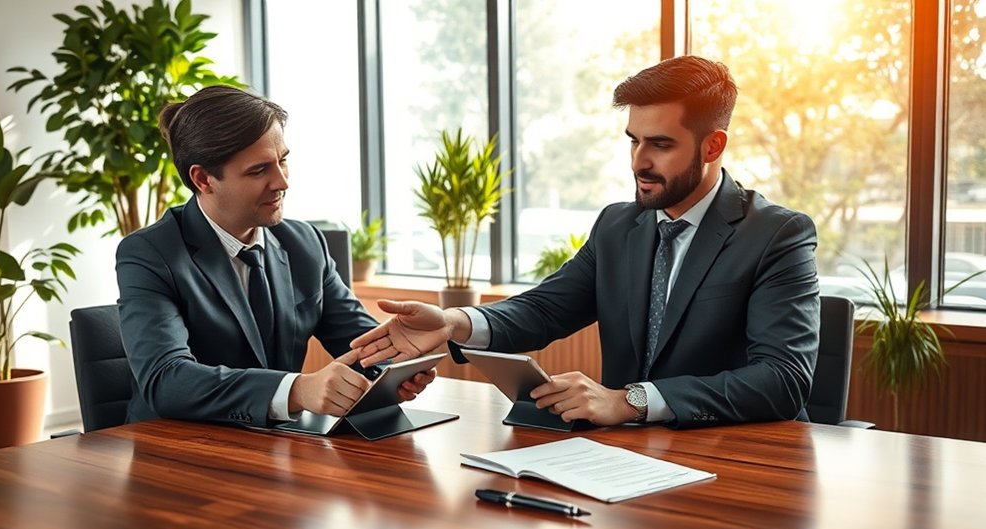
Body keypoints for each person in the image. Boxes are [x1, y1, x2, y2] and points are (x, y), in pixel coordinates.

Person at [352, 56, 820, 429]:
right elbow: (544, 310)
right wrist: (454, 322)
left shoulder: (777, 235)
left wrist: (630, 401)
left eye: (660, 144)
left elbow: (782, 380)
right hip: (624, 462)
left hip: (742, 461)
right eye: (633, 141)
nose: (639, 161)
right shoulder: (619, 226)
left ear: (713, 146)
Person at [116, 85, 433, 426]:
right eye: (258, 170)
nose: (282, 182)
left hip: (280, 445)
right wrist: (296, 390)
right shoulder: (150, 253)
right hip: (176, 449)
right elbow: (166, 380)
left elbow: (359, 341)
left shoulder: (304, 242)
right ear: (203, 179)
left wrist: (393, 365)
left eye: (282, 161)